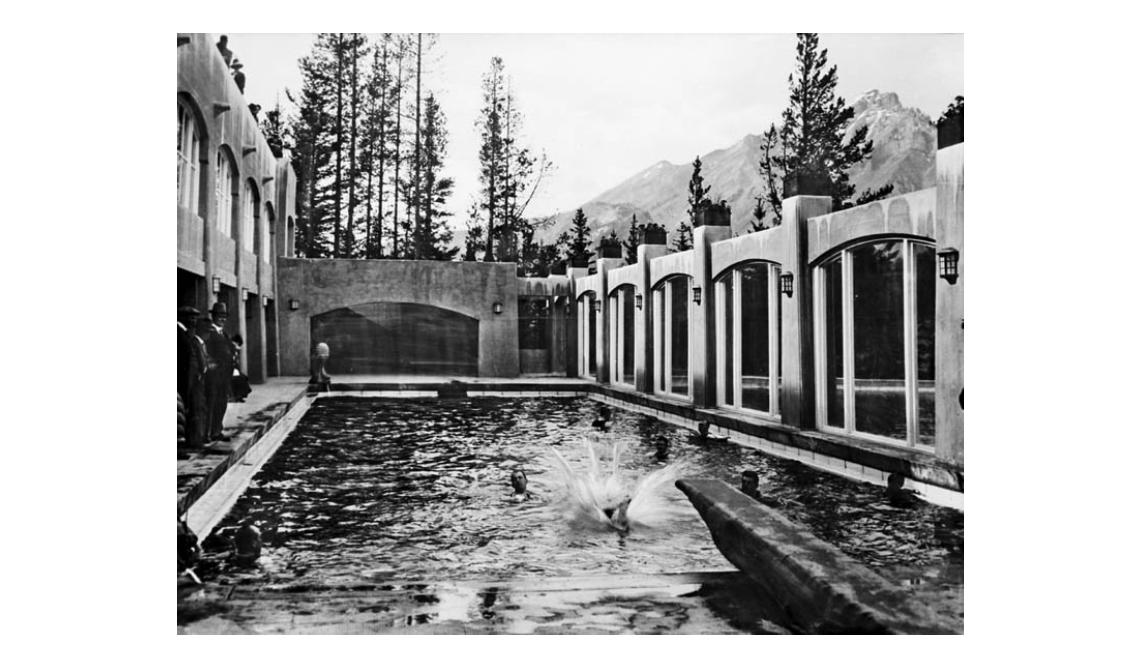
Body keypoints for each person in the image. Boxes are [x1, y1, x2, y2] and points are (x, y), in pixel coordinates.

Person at [199, 302, 235, 443]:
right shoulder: (210, 333)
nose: (223, 319)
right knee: (211, 403)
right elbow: (206, 354)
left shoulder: (223, 333)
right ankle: (207, 434)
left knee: (221, 403)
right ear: (213, 316)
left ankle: (217, 431)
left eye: (225, 316)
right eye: (220, 316)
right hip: (213, 376)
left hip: (224, 376)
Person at [176, 306, 208, 449]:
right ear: (183, 318)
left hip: (190, 380)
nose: (194, 321)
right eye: (192, 318)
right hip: (183, 381)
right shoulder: (180, 334)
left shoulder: (185, 334)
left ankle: (190, 443)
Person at [230, 334, 252, 402]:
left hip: (234, 370)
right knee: (240, 379)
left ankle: (240, 395)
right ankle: (238, 396)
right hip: (229, 370)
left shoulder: (235, 350)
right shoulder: (231, 348)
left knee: (244, 377)